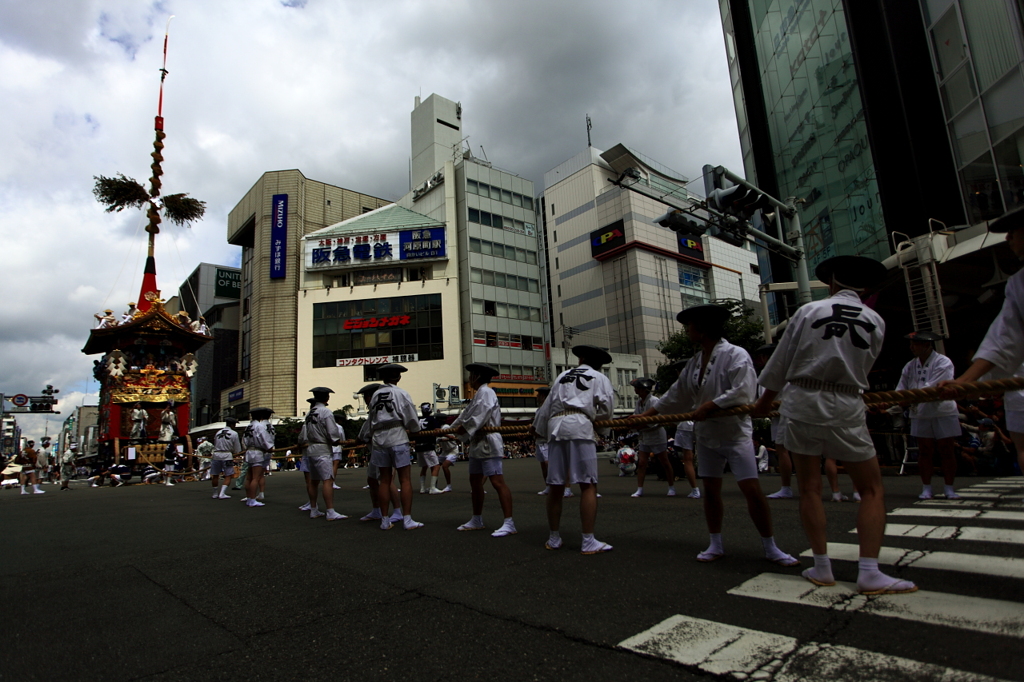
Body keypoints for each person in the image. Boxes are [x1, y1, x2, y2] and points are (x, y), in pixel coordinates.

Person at [753, 255, 917, 595]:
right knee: (871, 489)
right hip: (847, 401)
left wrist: (763, 404)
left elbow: (780, 361)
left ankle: (823, 566)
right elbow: (865, 365)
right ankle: (869, 571)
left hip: (802, 400)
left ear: (832, 283)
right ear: (866, 287)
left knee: (810, 487)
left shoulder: (810, 311)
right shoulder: (875, 320)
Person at [643, 304, 797, 567]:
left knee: (751, 490)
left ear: (702, 328)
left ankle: (771, 546)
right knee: (711, 491)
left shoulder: (736, 354)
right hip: (706, 435)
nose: (688, 330)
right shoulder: (694, 362)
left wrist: (709, 406)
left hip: (735, 433)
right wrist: (647, 415)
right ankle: (715, 542)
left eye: (690, 325)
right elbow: (676, 394)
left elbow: (744, 391)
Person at [942, 206, 1024, 478]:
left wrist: (965, 382)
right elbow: (1004, 339)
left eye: (1013, 231)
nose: (1008, 238)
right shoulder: (1018, 283)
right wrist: (965, 381)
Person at [533, 345, 615, 554]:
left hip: (555, 426)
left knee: (556, 485)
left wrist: (539, 430)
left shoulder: (562, 376)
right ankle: (588, 540)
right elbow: (606, 408)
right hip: (579, 424)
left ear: (581, 360)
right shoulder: (599, 377)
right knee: (588, 484)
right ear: (599, 364)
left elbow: (546, 407)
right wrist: (602, 428)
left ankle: (553, 538)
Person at [452, 362, 516, 537]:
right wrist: (447, 431)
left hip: (488, 441)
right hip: (477, 442)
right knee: (475, 482)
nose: (469, 378)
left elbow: (479, 416)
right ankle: (476, 518)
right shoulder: (478, 394)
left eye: (471, 375)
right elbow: (465, 415)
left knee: (497, 482)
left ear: (477, 376)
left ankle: (509, 522)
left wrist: (462, 430)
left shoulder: (487, 392)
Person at [896, 331, 962, 499]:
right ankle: (926, 487)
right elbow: (901, 387)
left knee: (946, 449)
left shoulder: (943, 362)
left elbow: (932, 387)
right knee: (924, 451)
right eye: (911, 344)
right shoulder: (910, 365)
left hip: (942, 410)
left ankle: (949, 487)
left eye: (915, 344)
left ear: (926, 345)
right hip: (920, 411)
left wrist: (909, 397)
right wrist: (899, 398)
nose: (912, 347)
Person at [360, 366, 423, 530]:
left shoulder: (374, 396)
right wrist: (415, 430)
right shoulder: (401, 393)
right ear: (398, 378)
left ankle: (385, 519)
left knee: (384, 480)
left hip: (379, 438)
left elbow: (371, 419)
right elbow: (411, 418)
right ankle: (407, 519)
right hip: (397, 435)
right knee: (405, 479)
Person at [354, 384, 405, 524]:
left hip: (387, 446)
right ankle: (376, 509)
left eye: (366, 397)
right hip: (377, 450)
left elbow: (366, 431)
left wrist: (359, 438)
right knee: (372, 480)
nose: (365, 400)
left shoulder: (385, 405)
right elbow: (366, 431)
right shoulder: (375, 409)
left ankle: (397, 510)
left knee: (387, 481)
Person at [752, 344, 795, 500]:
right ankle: (805, 486)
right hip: (795, 410)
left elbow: (763, 399)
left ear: (764, 357)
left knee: (782, 450)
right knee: (800, 450)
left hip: (781, 413)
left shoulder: (769, 372)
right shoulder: (791, 367)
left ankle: (786, 487)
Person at [298, 387, 346, 520]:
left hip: (311, 448)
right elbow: (332, 433)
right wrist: (336, 440)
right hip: (322, 447)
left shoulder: (309, 414)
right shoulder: (325, 412)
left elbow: (303, 435)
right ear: (326, 398)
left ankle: (313, 509)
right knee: (327, 480)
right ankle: (330, 511)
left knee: (313, 481)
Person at [626, 378, 676, 498]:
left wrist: (639, 425)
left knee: (664, 461)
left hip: (656, 433)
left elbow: (655, 420)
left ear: (644, 389)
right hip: (645, 435)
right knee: (642, 463)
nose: (635, 390)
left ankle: (671, 487)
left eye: (637, 388)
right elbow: (637, 417)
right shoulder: (639, 402)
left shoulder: (654, 401)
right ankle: (640, 489)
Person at [242, 407, 276, 508]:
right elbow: (264, 439)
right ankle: (252, 500)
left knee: (249, 477)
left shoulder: (248, 426)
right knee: (256, 478)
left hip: (249, 451)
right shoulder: (260, 426)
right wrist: (269, 447)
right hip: (258, 451)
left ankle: (249, 497)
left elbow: (243, 440)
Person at [416, 403, 446, 495]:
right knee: (436, 466)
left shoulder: (418, 420)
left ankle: (422, 488)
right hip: (428, 445)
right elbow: (437, 431)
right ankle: (432, 487)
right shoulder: (432, 419)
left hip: (418, 446)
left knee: (424, 467)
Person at [208, 418, 242, 499]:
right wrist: (237, 453)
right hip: (227, 455)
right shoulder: (234, 433)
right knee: (228, 475)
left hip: (216, 455)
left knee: (215, 475)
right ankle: (222, 493)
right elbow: (237, 449)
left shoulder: (218, 432)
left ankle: (215, 493)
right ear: (232, 424)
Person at [532, 386, 556, 494]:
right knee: (543, 465)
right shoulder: (539, 409)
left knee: (549, 464)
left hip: (547, 439)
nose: (537, 397)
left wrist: (532, 430)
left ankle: (555, 485)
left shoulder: (549, 408)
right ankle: (548, 485)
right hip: (539, 440)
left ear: (543, 396)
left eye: (538, 395)